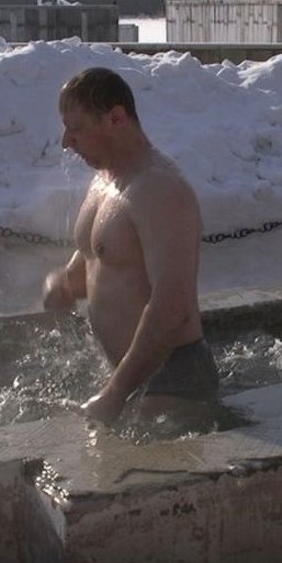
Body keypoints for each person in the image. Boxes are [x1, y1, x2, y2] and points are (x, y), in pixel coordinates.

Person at [43, 66, 220, 426]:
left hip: (173, 380)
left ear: (116, 118)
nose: (65, 142)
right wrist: (61, 284)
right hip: (132, 376)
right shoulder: (104, 181)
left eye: (76, 129)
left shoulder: (159, 190)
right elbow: (100, 263)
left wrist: (114, 395)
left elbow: (172, 307)